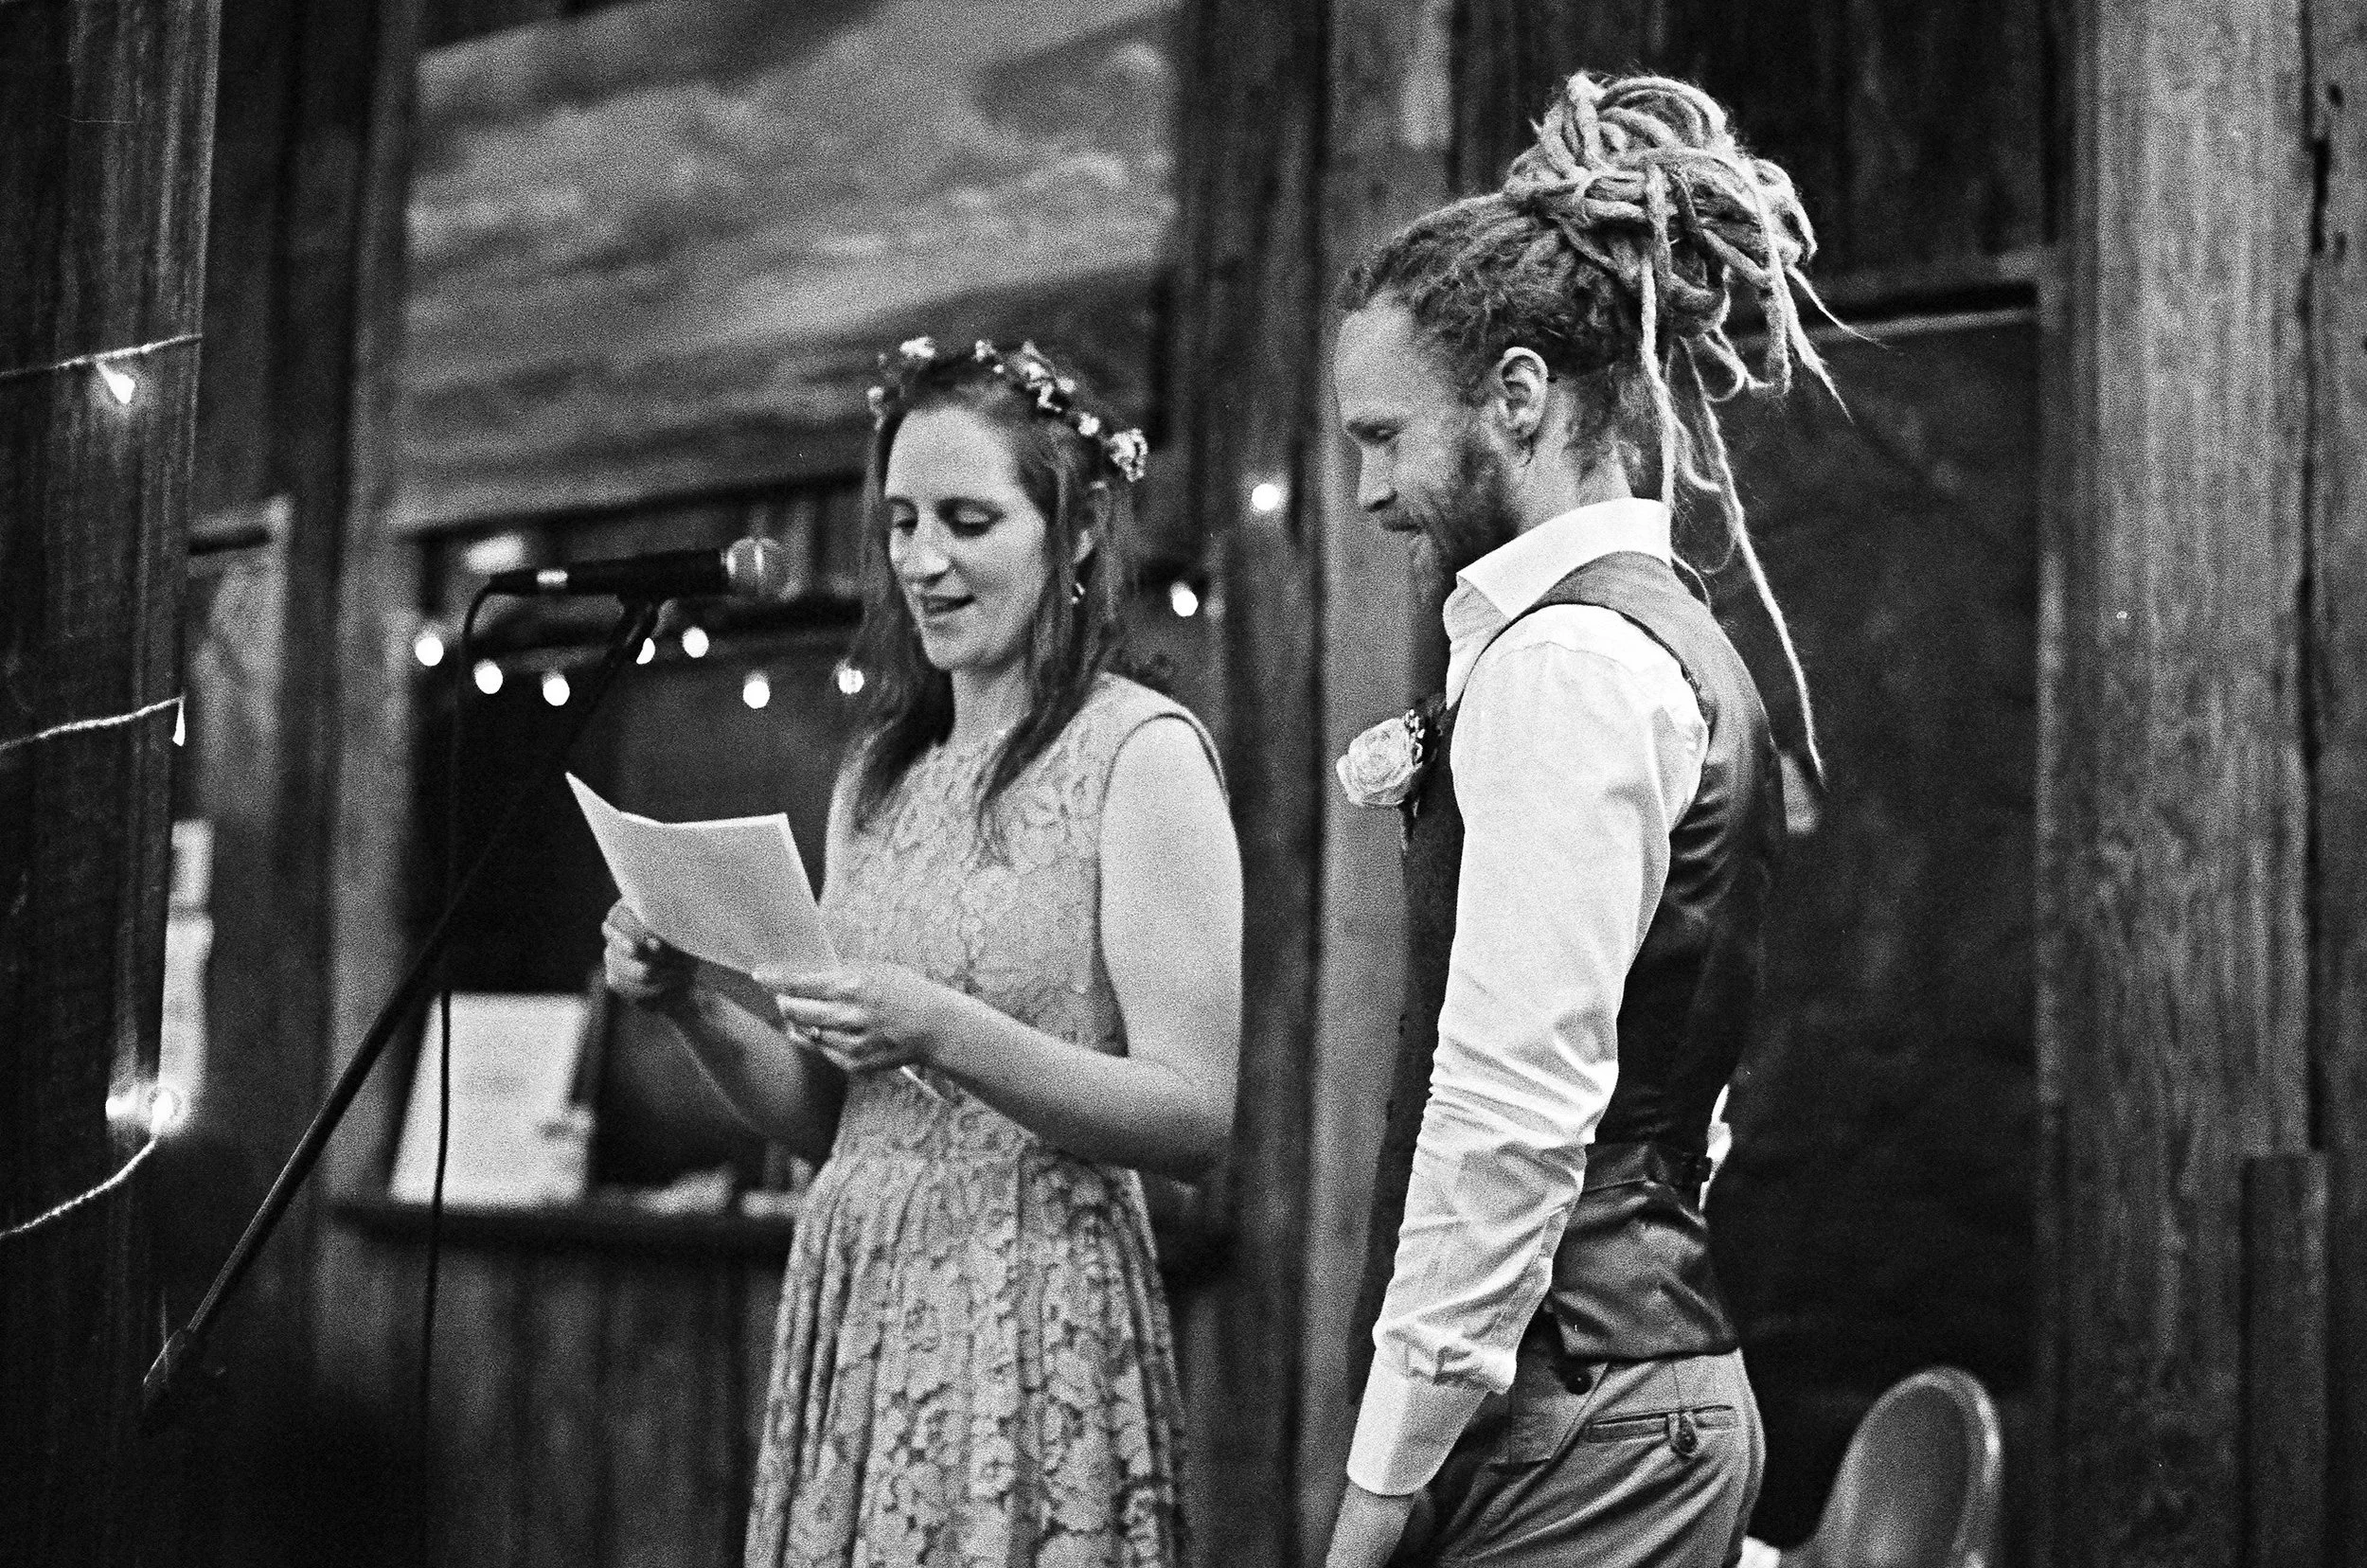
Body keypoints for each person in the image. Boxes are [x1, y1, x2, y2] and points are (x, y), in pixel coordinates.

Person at [602, 336, 1242, 1568]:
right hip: (857, 1298)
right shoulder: (876, 777)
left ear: (1080, 531)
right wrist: (690, 1003)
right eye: (900, 522)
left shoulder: (1140, 758)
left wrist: (941, 1027)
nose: (923, 562)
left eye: (966, 519)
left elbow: (1195, 1119)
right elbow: (829, 1114)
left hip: (1029, 1305)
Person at [1322, 72, 1836, 1568]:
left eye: (1382, 435)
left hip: (1579, 1405)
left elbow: (1511, 1112)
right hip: (1624, 1389)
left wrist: (1377, 1489)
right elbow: (1670, 1088)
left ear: (1522, 395)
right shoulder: (1664, 636)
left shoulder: (1563, 663)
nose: (1365, 490)